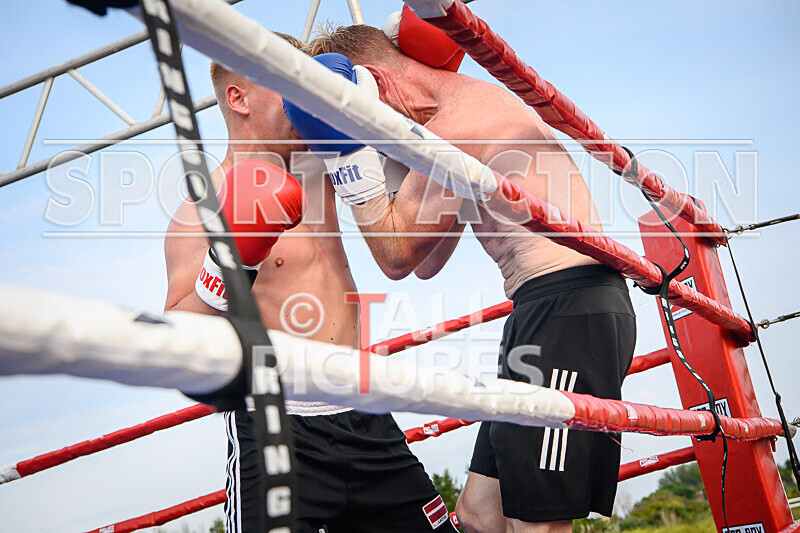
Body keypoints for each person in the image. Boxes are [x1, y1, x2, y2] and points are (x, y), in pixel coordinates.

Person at [290, 21, 637, 533]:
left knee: (537, 522)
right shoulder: (450, 121)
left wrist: (351, 160)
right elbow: (425, 262)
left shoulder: (457, 123)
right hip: (540, 314)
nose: (370, 134)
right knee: (479, 516)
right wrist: (395, 165)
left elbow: (395, 256)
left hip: (567, 312)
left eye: (359, 119)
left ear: (371, 84)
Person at [163, 32, 457, 533]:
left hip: (365, 409)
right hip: (277, 424)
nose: (304, 93)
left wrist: (410, 66)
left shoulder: (328, 159)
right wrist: (227, 261)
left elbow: (415, 156)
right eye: (287, 80)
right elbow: (177, 335)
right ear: (239, 98)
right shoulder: (201, 209)